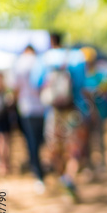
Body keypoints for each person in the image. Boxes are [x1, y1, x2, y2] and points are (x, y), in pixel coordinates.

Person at [30, 33, 88, 203]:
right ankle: (69, 178)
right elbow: (82, 84)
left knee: (55, 149)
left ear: (51, 41)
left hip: (53, 112)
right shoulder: (77, 57)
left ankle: (63, 177)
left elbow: (36, 83)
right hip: (74, 110)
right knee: (75, 148)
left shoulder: (44, 59)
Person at [12, 45, 46, 192]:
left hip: (26, 108)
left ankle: (37, 171)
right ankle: (41, 168)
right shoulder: (40, 62)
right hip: (43, 107)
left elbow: (15, 88)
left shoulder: (19, 63)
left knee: (32, 141)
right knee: (41, 140)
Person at [80, 46, 107, 175]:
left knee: (99, 138)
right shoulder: (80, 74)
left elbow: (106, 84)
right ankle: (88, 164)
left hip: (100, 111)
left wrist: (94, 93)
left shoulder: (100, 73)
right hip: (83, 113)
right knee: (86, 140)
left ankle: (102, 164)